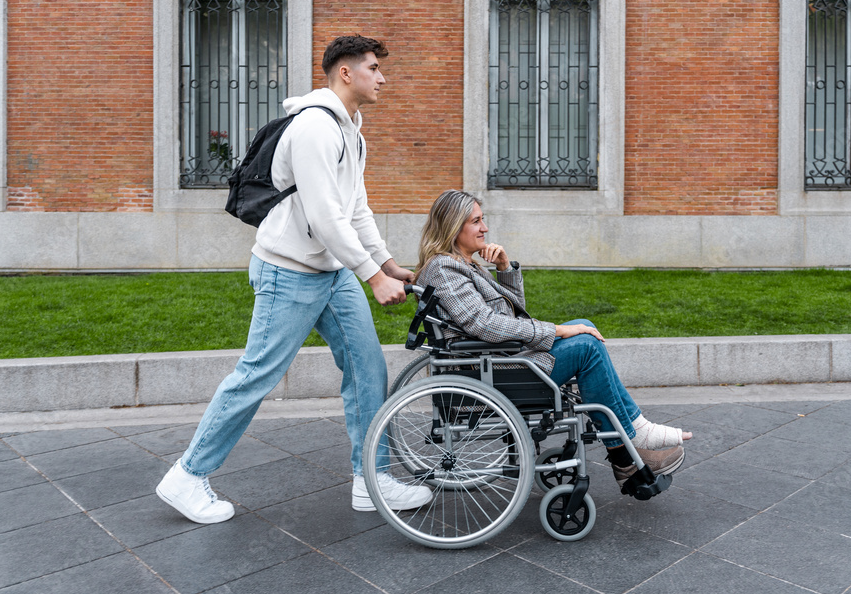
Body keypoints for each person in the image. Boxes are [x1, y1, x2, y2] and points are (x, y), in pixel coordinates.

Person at [156, 35, 432, 523]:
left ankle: (372, 479)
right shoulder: (314, 129)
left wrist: (385, 262)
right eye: (373, 68)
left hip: (330, 271)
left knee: (368, 368)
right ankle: (186, 475)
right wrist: (371, 276)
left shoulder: (352, 129)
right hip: (289, 272)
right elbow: (326, 217)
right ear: (345, 73)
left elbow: (354, 207)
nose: (382, 77)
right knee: (257, 374)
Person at [414, 190, 693, 491]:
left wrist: (505, 269)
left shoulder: (463, 264)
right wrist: (557, 330)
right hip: (494, 372)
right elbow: (485, 325)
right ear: (454, 227)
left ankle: (631, 437)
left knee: (584, 327)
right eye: (476, 221)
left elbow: (511, 312)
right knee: (586, 346)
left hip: (499, 360)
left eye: (483, 220)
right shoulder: (444, 269)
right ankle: (628, 446)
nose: (485, 228)